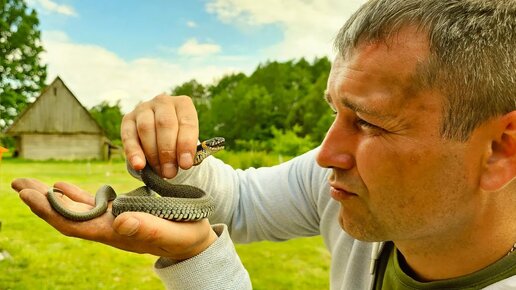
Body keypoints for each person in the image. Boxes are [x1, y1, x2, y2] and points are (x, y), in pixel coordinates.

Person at [11, 0, 516, 289]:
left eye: (370, 123)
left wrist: (200, 263)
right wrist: (173, 158)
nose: (324, 155)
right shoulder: (346, 182)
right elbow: (241, 203)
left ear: (500, 149)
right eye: (335, 111)